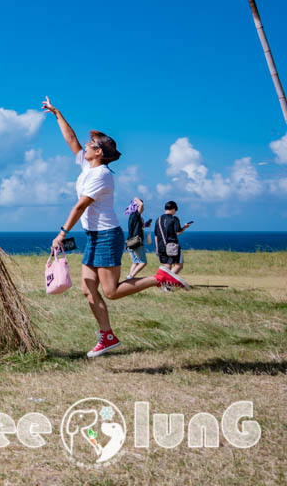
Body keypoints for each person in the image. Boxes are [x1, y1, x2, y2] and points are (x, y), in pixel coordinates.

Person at [42, 96, 190, 358]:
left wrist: (62, 232)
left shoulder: (101, 176)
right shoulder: (88, 165)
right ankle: (107, 336)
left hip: (107, 236)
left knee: (110, 291)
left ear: (99, 153)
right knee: (88, 289)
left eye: (91, 145)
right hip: (94, 236)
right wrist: (57, 114)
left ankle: (159, 278)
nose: (85, 146)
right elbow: (71, 140)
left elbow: (80, 206)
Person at [153, 200, 193, 281]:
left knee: (167, 265)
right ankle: (168, 282)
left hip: (161, 246)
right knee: (179, 265)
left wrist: (157, 247)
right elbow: (178, 232)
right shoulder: (174, 219)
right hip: (172, 246)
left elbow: (156, 235)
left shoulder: (158, 219)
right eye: (176, 210)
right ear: (173, 209)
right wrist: (185, 227)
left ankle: (163, 283)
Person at [124, 198, 148, 279]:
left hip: (130, 242)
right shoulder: (136, 214)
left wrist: (144, 225)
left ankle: (129, 278)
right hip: (136, 241)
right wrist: (136, 199)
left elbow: (134, 229)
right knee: (143, 262)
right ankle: (131, 276)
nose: (143, 208)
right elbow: (141, 205)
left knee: (135, 262)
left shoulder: (132, 216)